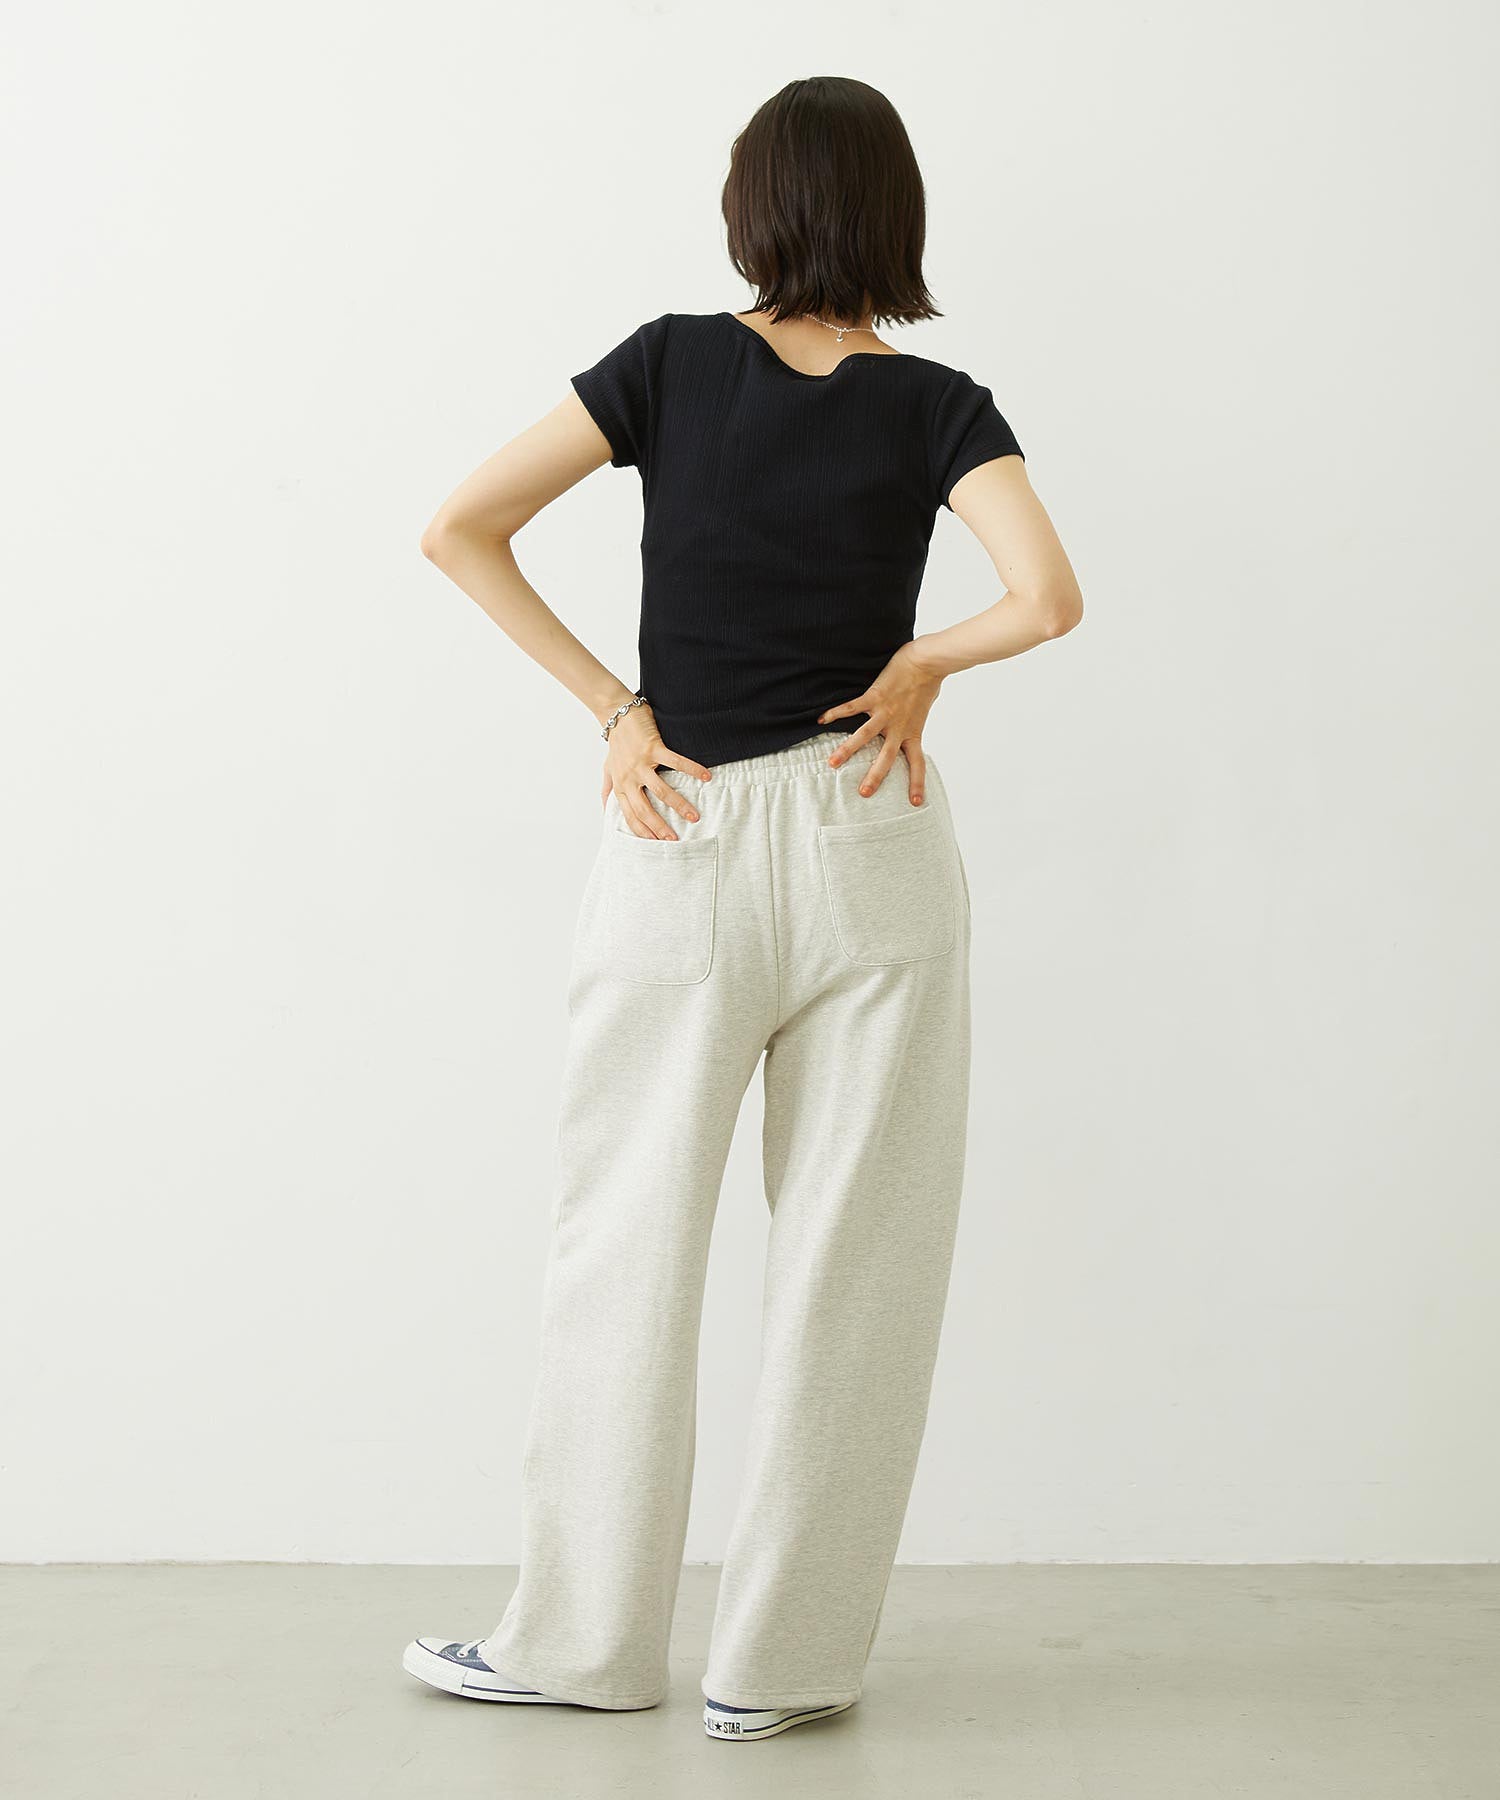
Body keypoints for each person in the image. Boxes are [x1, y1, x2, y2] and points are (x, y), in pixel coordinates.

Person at [402, 74, 1083, 1743]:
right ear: (895, 215)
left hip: (682, 829)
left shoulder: (668, 364)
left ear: (751, 208)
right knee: (861, 1266)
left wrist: (615, 712)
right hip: (872, 837)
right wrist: (923, 663)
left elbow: (459, 528)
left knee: (620, 1249)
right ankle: (780, 1675)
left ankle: (580, 1646)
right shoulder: (939, 404)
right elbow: (1048, 597)